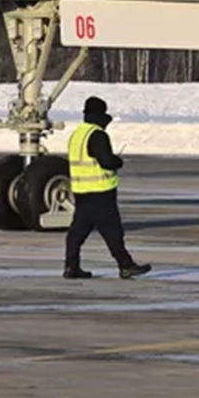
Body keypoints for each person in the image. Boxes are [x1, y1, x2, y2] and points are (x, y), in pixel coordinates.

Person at [64, 96, 151, 279]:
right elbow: (106, 161)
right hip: (100, 193)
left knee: (76, 233)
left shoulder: (77, 134)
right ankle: (125, 265)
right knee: (113, 232)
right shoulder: (97, 135)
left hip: (81, 192)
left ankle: (71, 266)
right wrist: (117, 161)